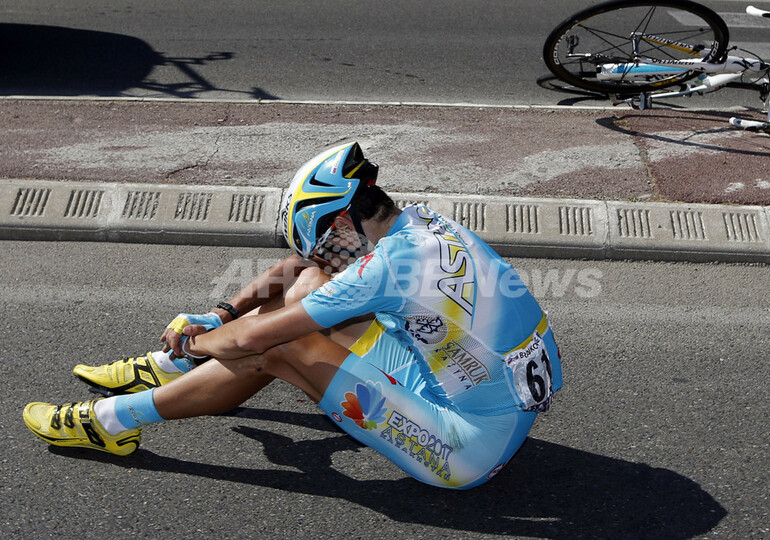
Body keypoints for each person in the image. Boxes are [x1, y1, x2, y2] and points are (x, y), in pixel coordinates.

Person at [23, 142, 563, 489]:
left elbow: (252, 340)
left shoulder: (383, 267)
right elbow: (305, 267)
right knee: (307, 288)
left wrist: (196, 340)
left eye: (324, 240)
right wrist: (219, 315)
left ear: (343, 222)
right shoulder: (425, 225)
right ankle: (172, 372)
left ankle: (110, 422)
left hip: (467, 450)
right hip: (487, 394)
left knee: (279, 345)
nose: (322, 254)